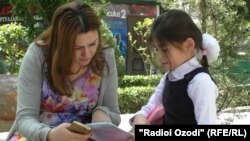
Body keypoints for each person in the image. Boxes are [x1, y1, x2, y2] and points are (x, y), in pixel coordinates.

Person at [7, 1, 121, 141]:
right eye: (77, 47)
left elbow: (115, 114)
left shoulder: (105, 56)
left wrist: (102, 113)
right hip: (38, 135)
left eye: (92, 44)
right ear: (61, 44)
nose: (87, 54)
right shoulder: (38, 55)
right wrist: (50, 135)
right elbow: (24, 118)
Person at [131, 9, 220, 129]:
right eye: (156, 49)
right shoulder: (168, 77)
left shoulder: (201, 83)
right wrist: (140, 117)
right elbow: (150, 107)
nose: (159, 56)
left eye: (165, 49)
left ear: (189, 45)